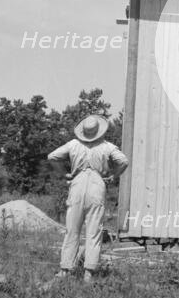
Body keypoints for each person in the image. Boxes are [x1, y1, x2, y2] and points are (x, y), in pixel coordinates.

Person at [47, 115, 129, 283]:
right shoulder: (107, 147)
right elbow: (123, 161)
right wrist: (114, 176)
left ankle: (65, 269)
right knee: (94, 231)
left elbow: (52, 157)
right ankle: (88, 272)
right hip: (97, 184)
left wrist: (64, 174)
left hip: (77, 183)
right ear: (99, 131)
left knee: (72, 229)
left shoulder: (73, 144)